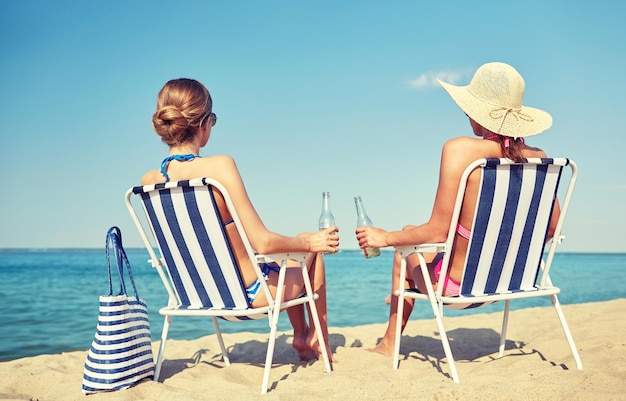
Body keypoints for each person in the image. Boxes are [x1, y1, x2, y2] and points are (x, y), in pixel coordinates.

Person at [355, 62, 559, 357]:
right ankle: (399, 289)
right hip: (514, 282)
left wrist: (383, 238)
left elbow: (437, 231)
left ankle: (388, 343)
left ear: (478, 114)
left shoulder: (461, 150)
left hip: (459, 287)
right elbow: (550, 229)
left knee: (403, 252)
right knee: (410, 231)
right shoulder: (539, 158)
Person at [141, 78, 339, 362]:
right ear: (205, 124)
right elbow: (264, 242)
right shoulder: (219, 166)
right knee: (310, 254)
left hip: (200, 300)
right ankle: (316, 340)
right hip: (249, 298)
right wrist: (309, 240)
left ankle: (302, 336)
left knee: (290, 258)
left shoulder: (150, 181)